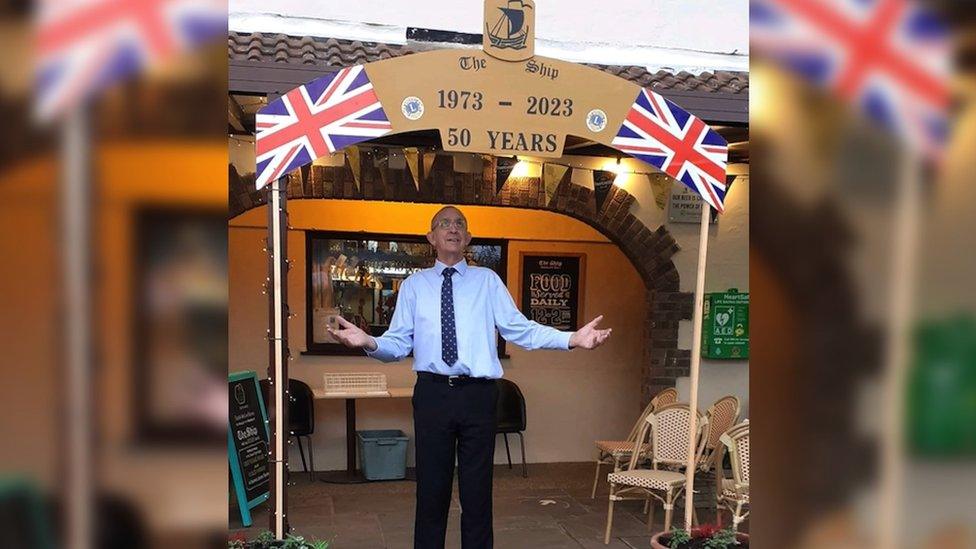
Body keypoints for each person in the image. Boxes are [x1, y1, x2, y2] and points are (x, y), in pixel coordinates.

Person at [327, 206, 612, 549]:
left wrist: (571, 339)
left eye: (459, 223)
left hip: (478, 396)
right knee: (431, 491)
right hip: (433, 395)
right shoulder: (415, 286)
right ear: (431, 238)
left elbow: (520, 329)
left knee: (477, 493)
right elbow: (399, 343)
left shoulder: (487, 281)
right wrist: (369, 342)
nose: (452, 228)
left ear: (468, 238)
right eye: (444, 223)